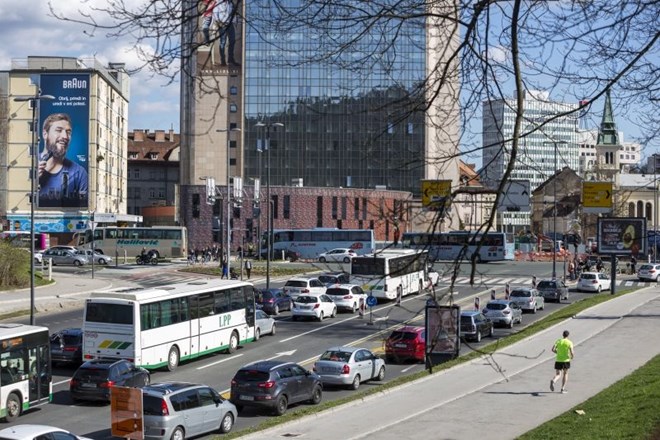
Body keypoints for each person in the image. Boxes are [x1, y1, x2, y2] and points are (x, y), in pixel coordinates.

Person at [38, 113, 88, 207]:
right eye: (59, 130)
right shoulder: (27, 164)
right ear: (45, 134)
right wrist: (29, 181)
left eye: (68, 132)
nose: (65, 136)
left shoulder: (79, 173)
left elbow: (83, 209)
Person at [213, 0, 237, 65]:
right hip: (222, 25)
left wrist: (234, 22)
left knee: (232, 41)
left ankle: (230, 59)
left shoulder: (230, 3)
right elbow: (215, 14)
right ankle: (223, 60)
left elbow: (233, 13)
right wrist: (219, 23)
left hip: (230, 24)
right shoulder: (218, 3)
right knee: (222, 42)